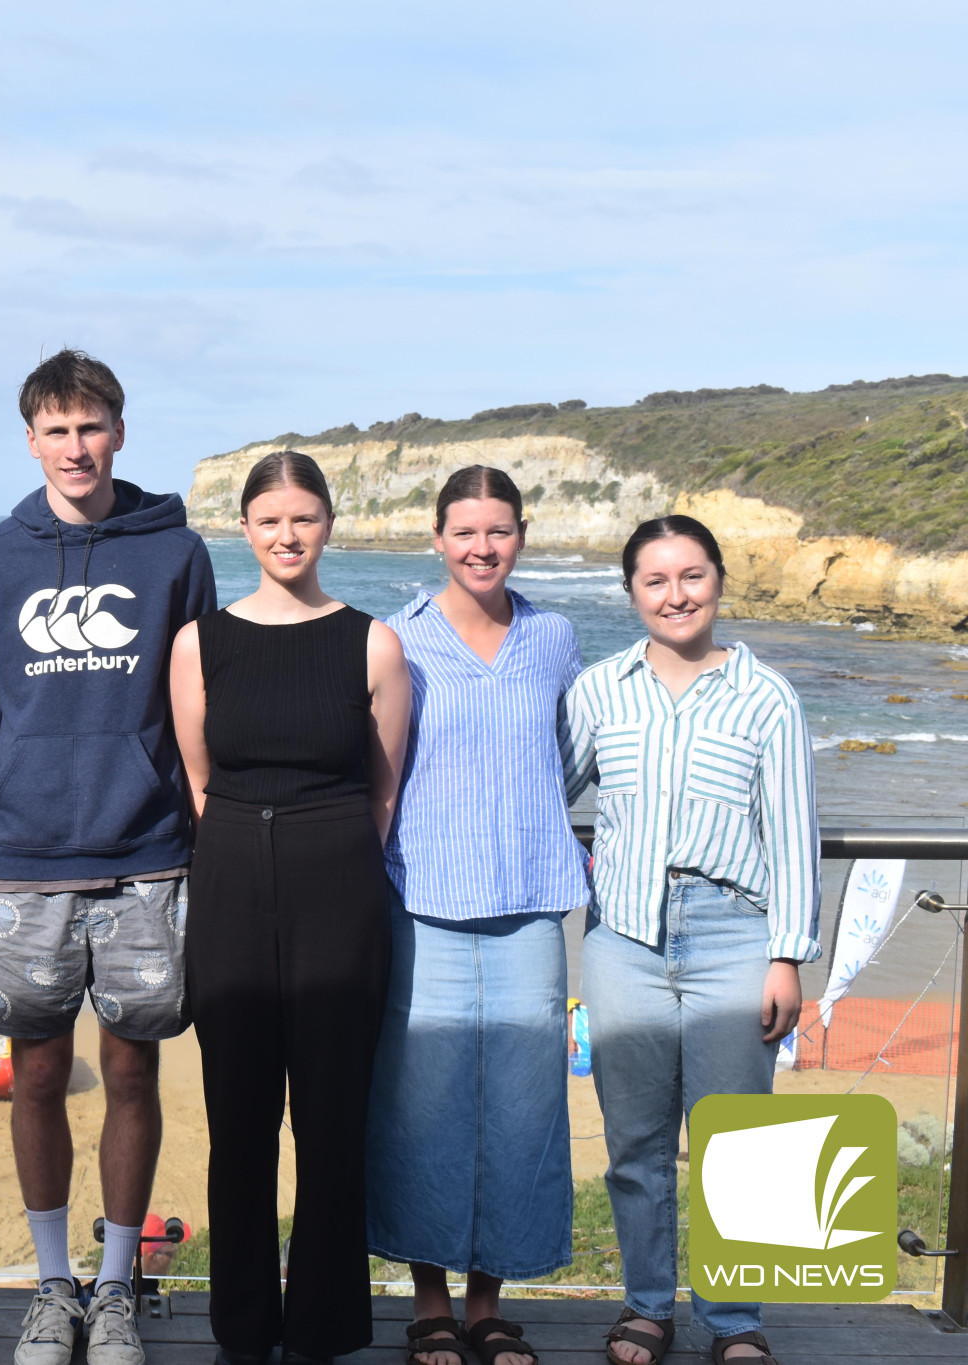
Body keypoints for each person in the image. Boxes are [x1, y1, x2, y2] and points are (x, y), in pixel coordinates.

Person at [0, 349, 216, 1365]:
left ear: (118, 432)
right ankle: (50, 1283)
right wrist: (29, 780)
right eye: (55, 430)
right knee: (31, 1078)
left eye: (90, 426)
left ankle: (114, 1287)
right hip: (26, 858)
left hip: (146, 855)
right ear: (31, 441)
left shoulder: (172, 554)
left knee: (130, 1074)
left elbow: (190, 700)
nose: (75, 446)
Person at [167, 451, 411, 1365]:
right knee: (238, 1124)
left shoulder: (372, 641)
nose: (286, 535)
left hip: (338, 881)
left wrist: (323, 853)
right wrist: (252, 846)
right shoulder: (201, 642)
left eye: (303, 518)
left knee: (331, 1120)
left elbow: (382, 788)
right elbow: (200, 776)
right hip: (230, 874)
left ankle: (320, 1330)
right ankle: (242, 1330)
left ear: (328, 525)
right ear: (245, 529)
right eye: (269, 520)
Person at [565, 516, 818, 1365]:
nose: (676, 595)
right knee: (635, 1142)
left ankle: (736, 1320)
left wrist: (789, 953)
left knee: (735, 1137)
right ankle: (646, 1306)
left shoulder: (767, 696)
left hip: (734, 936)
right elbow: (539, 798)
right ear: (631, 591)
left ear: (717, 579)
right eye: (655, 580)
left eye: (692, 576)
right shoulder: (599, 688)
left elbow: (792, 835)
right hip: (624, 938)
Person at [365, 468, 585, 1365]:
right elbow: (378, 765)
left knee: (524, 1107)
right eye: (465, 531)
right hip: (422, 901)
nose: (482, 547)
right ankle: (429, 1303)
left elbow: (567, 754)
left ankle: (488, 1303)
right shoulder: (398, 640)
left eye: (498, 531)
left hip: (532, 901)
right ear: (438, 536)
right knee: (424, 1106)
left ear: (521, 536)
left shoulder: (555, 635)